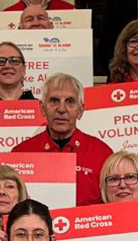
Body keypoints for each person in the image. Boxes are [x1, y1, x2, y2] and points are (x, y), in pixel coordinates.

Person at [11, 73, 116, 205]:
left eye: (70, 102)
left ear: (80, 110)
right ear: (42, 108)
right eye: (54, 101)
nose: (61, 109)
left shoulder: (102, 153)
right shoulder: (21, 153)